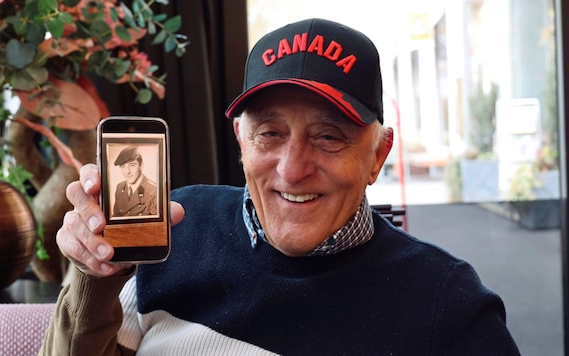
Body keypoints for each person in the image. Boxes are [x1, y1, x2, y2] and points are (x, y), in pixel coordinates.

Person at [40, 18, 520, 355]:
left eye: (328, 136)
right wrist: (95, 277)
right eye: (269, 133)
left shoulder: (448, 306)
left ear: (377, 155)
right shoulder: (174, 230)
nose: (292, 169)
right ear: (241, 142)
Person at [110, 145, 157, 217]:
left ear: (141, 165)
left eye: (132, 165)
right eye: (123, 166)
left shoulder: (154, 190)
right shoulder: (120, 187)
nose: (127, 172)